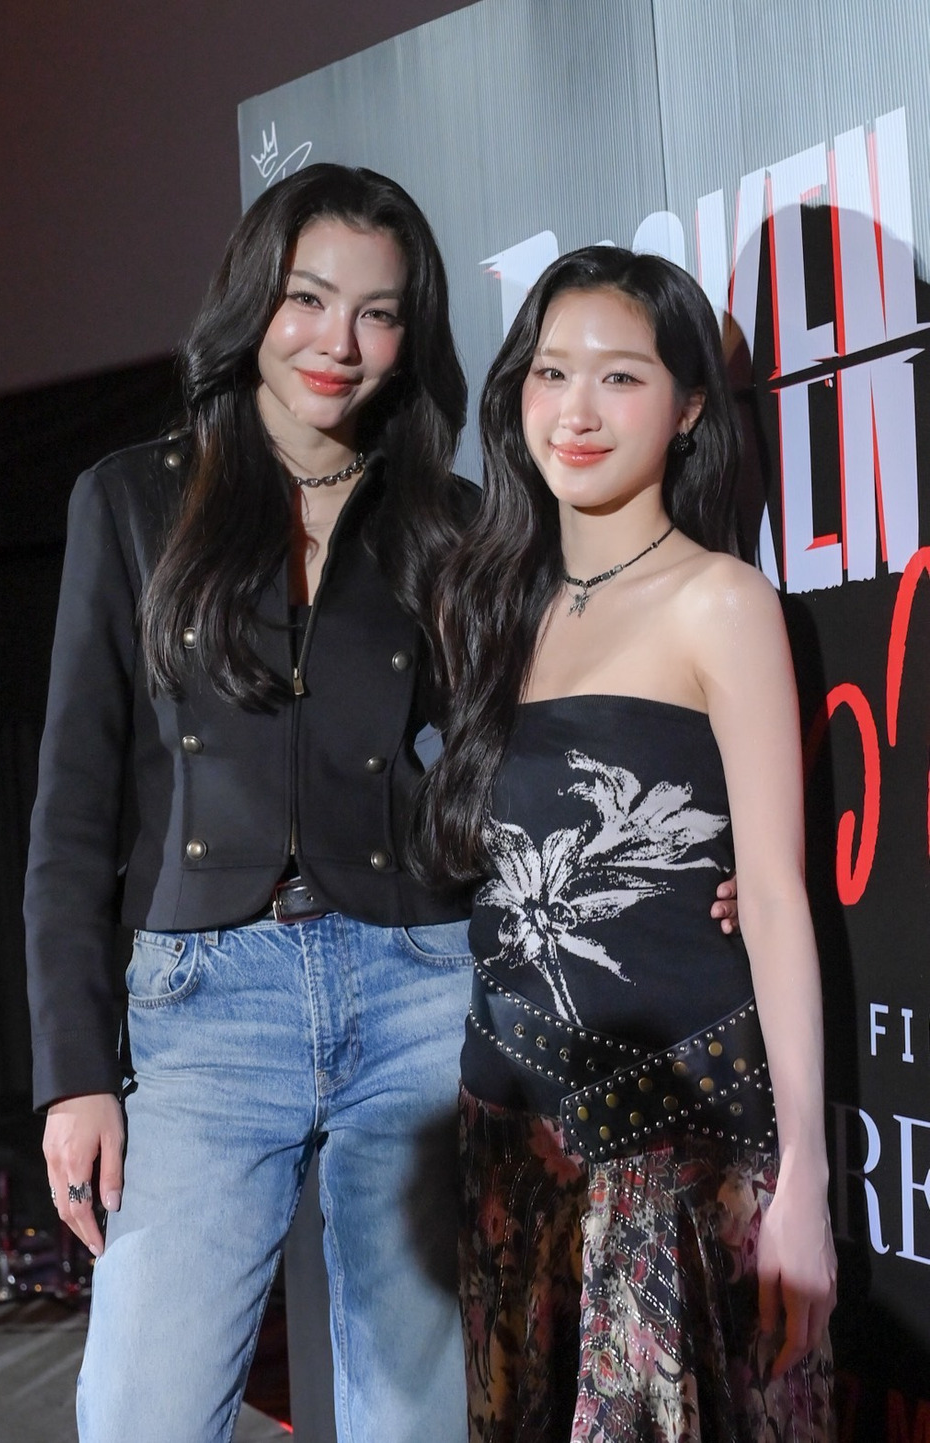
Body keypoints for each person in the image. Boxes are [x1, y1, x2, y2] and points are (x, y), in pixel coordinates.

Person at [24, 163, 479, 1443]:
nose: (340, 342)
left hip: (417, 992)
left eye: (378, 313)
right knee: (142, 1415)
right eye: (308, 299)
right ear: (252, 303)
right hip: (203, 1009)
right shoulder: (131, 500)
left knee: (418, 1422)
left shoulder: (448, 523)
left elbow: (513, 765)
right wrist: (73, 1074)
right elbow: (70, 809)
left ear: (410, 337)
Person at [416, 245, 836, 1441]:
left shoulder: (722, 602)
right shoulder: (486, 602)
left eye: (620, 377)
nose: (578, 411)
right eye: (551, 373)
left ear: (690, 405)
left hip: (673, 1146)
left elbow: (773, 896)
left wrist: (805, 1176)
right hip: (507, 1143)